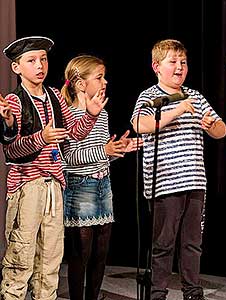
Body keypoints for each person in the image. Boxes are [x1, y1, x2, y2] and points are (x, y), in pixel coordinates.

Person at [0, 36, 107, 300]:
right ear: (17, 68)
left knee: (50, 259)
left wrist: (91, 114)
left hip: (54, 185)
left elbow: (75, 133)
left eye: (43, 59)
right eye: (32, 60)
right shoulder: (15, 102)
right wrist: (41, 138)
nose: (40, 65)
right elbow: (12, 151)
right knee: (21, 256)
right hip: (28, 186)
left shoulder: (55, 97)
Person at [130, 39, 226, 300]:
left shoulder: (195, 95)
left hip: (194, 180)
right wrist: (178, 109)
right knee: (163, 243)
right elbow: (140, 124)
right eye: (172, 62)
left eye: (183, 62)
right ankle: (158, 292)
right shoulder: (150, 96)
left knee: (192, 242)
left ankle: (192, 291)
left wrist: (210, 125)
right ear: (156, 66)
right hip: (165, 182)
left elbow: (221, 130)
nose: (179, 67)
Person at [61, 55, 142, 300]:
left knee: (101, 249)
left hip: (102, 184)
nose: (105, 81)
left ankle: (93, 296)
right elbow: (69, 159)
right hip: (80, 185)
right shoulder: (68, 115)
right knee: (81, 251)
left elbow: (100, 156)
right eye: (99, 77)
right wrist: (105, 150)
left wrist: (117, 151)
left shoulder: (102, 115)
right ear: (80, 83)